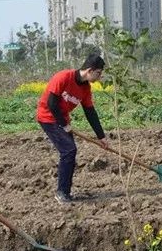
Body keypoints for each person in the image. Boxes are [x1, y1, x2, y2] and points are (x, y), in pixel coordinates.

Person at [36, 55, 109, 203]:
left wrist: (101, 136)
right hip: (48, 117)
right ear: (89, 70)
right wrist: (64, 124)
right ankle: (61, 192)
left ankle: (66, 192)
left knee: (69, 152)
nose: (99, 77)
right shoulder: (63, 77)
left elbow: (90, 112)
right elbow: (51, 103)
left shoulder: (85, 88)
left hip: (63, 120)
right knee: (69, 150)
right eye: (98, 73)